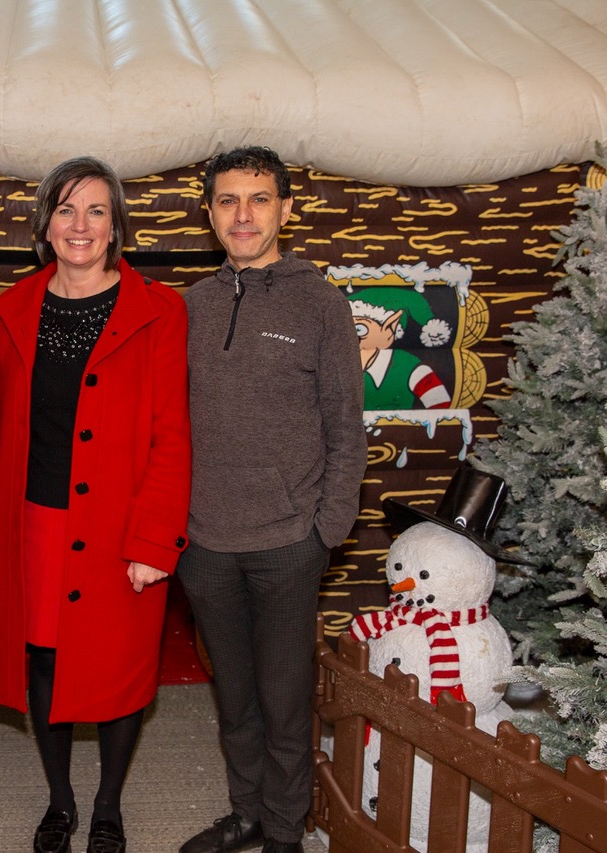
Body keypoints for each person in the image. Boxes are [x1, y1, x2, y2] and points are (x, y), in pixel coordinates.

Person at [0, 156, 191, 853]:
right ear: (45, 224)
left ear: (116, 227)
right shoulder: (12, 310)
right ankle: (61, 799)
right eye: (66, 209)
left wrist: (154, 541)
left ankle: (108, 804)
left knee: (121, 664)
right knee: (43, 657)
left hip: (121, 525)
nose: (80, 225)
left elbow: (170, 433)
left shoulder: (160, 312)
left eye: (96, 210)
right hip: (33, 520)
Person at [176, 147, 367, 853]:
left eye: (259, 199)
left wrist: (327, 529)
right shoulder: (188, 307)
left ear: (286, 209)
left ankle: (285, 833)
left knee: (286, 704)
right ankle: (249, 813)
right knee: (235, 699)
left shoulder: (320, 302)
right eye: (228, 200)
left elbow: (347, 425)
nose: (243, 214)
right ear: (210, 214)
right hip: (205, 546)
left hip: (290, 541)